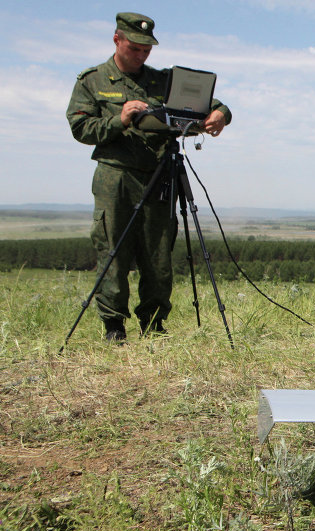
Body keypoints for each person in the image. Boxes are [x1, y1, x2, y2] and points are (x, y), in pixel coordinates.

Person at [66, 12, 232, 341]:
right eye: (135, 48)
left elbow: (209, 103)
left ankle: (154, 324)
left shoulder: (162, 81)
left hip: (160, 175)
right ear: (117, 40)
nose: (142, 55)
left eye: (147, 50)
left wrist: (220, 115)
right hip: (117, 177)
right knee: (113, 249)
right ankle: (114, 326)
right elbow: (81, 127)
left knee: (158, 252)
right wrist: (120, 120)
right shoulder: (93, 80)